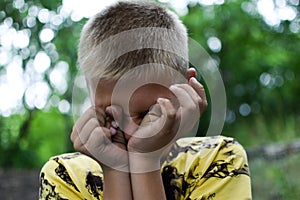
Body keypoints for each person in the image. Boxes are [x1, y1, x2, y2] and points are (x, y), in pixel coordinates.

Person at [39, 1, 251, 199]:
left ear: (186, 92)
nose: (130, 133)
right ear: (89, 91)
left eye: (147, 112)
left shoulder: (217, 159)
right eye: (111, 114)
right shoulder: (64, 175)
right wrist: (114, 169)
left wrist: (144, 160)